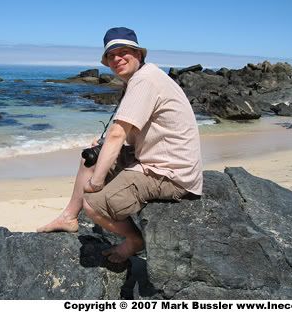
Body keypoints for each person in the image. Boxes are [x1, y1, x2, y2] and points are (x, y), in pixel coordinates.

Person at [37, 27, 203, 263]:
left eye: (124, 52)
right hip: (153, 156)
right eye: (111, 55)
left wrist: (96, 183)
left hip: (171, 173)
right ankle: (69, 217)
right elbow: (133, 129)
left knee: (92, 205)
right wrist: (103, 149)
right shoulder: (142, 77)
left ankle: (134, 241)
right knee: (91, 159)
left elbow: (117, 133)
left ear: (138, 54)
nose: (117, 59)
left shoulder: (145, 81)